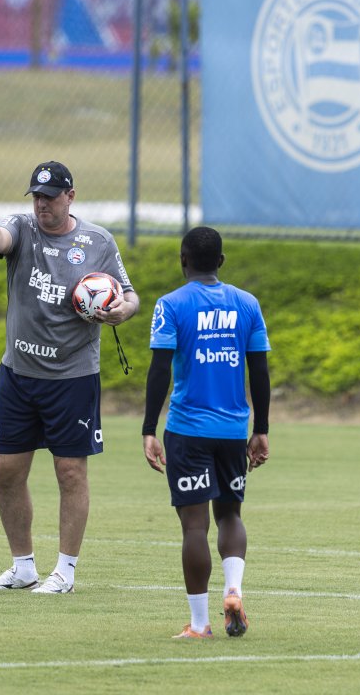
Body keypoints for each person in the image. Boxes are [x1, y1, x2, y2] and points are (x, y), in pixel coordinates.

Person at [0, 161, 139, 595]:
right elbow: (1, 240)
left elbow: (129, 293)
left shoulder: (97, 241)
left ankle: (64, 571)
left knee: (70, 473)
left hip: (72, 378)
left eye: (50, 196)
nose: (42, 204)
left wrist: (122, 309)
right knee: (5, 470)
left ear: (71, 196)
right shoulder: (22, 229)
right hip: (18, 375)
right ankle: (22, 567)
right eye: (37, 197)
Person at [141, 226, 270, 638]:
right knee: (231, 513)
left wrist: (149, 428)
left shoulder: (170, 305)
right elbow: (260, 372)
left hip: (188, 429)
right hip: (234, 430)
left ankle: (200, 624)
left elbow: (160, 369)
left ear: (183, 260)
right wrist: (261, 429)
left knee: (194, 527)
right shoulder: (247, 304)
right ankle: (234, 589)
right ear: (221, 261)